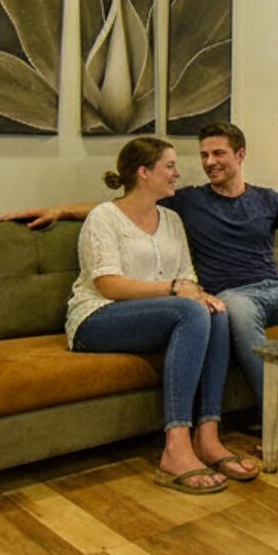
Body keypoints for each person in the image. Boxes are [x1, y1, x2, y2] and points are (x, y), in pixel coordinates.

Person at [4, 121, 278, 448]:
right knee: (232, 312)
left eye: (218, 153)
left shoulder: (267, 199)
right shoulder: (188, 200)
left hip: (277, 288)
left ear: (240, 155)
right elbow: (123, 204)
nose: (209, 162)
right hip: (232, 295)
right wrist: (60, 209)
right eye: (203, 155)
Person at [66, 137, 256, 494]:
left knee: (215, 312)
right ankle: (176, 446)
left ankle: (208, 435)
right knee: (191, 308)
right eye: (169, 166)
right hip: (98, 319)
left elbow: (189, 279)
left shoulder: (171, 220)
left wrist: (199, 295)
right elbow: (108, 285)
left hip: (159, 315)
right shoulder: (103, 218)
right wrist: (175, 290)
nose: (177, 173)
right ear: (144, 172)